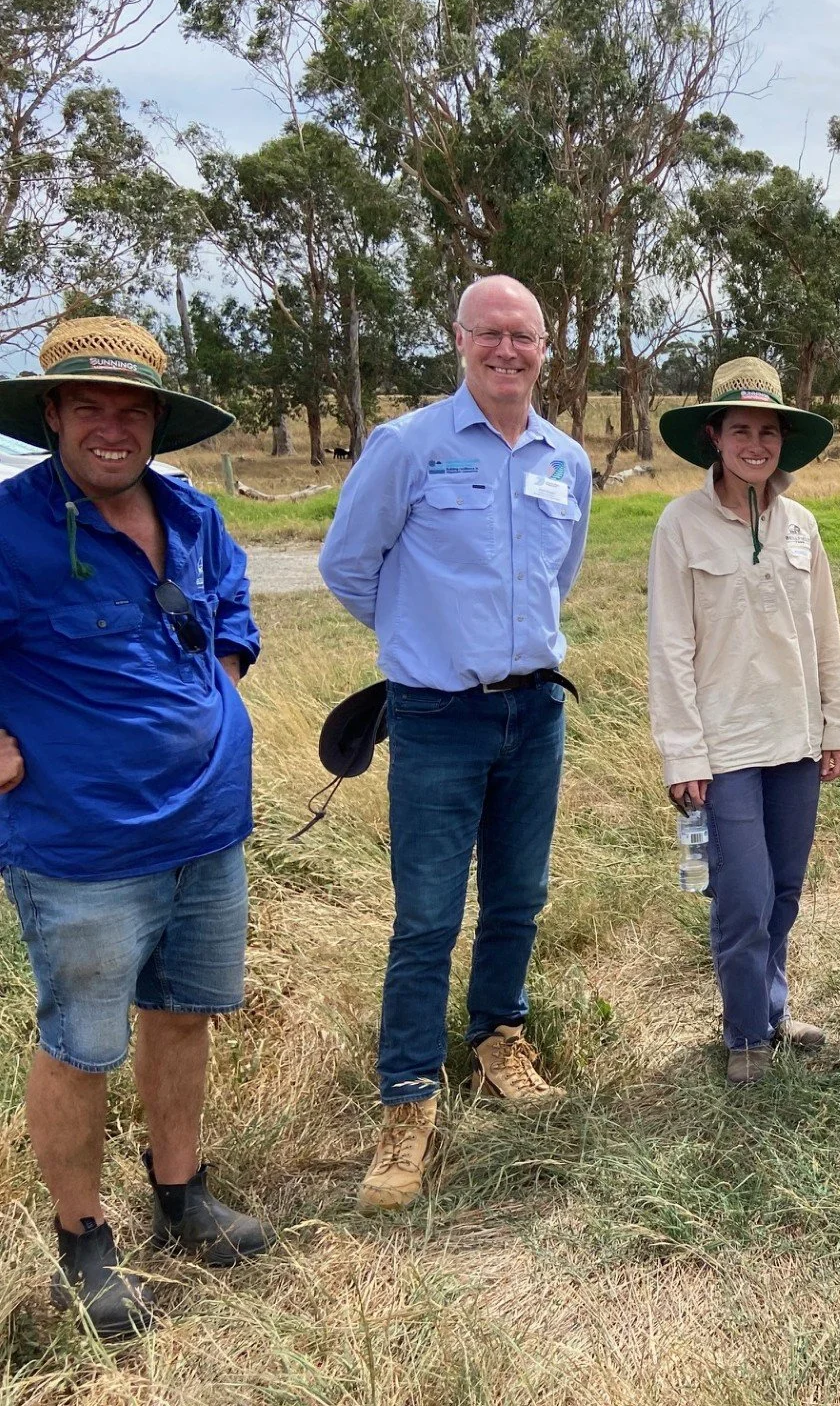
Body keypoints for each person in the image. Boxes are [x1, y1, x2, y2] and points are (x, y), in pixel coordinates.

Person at [0, 317, 272, 1338]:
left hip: (206, 830)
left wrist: (224, 694)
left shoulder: (191, 514)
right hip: (83, 848)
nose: (113, 428)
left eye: (133, 409)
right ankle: (84, 1243)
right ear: (54, 416)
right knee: (81, 1044)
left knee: (184, 1014)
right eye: (92, 407)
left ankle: (182, 1195)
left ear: (156, 421)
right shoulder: (10, 526)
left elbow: (235, 607)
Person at [319, 275, 592, 1212]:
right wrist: (417, 640)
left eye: (524, 335)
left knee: (519, 896)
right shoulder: (409, 447)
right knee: (428, 914)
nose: (507, 350)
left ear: (545, 347)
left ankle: (497, 1041)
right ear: (460, 339)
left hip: (535, 713)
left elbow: (564, 572)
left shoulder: (567, 461)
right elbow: (348, 566)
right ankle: (405, 1101)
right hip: (435, 716)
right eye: (491, 333)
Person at [647, 358, 840, 1086]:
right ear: (714, 435)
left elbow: (824, 629)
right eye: (740, 429)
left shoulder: (800, 524)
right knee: (742, 896)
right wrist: (684, 755)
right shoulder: (680, 524)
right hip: (724, 746)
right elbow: (670, 646)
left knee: (785, 889)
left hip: (795, 739)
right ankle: (743, 1034)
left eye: (767, 431)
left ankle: (772, 1009)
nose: (755, 443)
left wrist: (838, 723)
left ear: (783, 443)